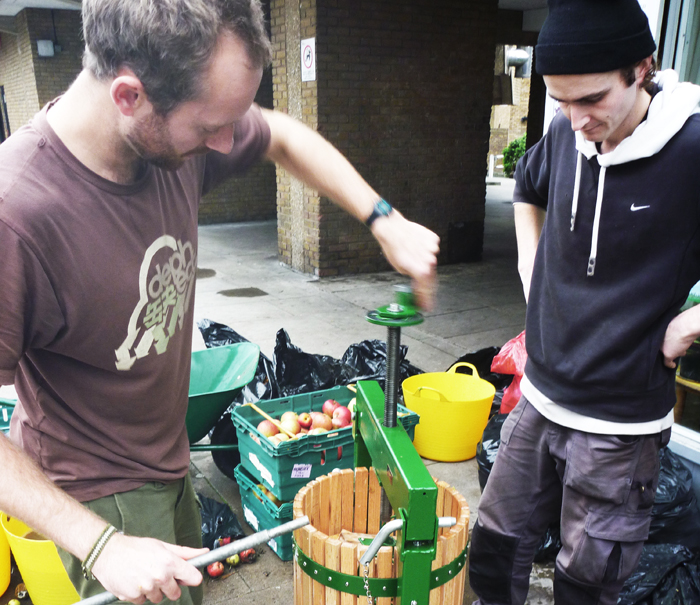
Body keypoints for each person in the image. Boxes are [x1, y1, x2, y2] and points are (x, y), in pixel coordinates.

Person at [0, 1, 440, 603]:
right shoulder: (17, 213)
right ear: (128, 95)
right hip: (100, 496)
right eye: (211, 127)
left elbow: (281, 134)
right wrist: (101, 545)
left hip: (168, 456)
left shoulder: (167, 139)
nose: (229, 143)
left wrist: (381, 218)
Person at [468, 0, 700, 603]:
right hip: (539, 397)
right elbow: (528, 185)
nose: (574, 119)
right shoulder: (564, 130)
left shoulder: (691, 150)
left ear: (642, 68)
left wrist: (687, 327)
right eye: (559, 99)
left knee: (585, 583)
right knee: (493, 550)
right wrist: (529, 263)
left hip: (620, 422)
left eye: (591, 99)